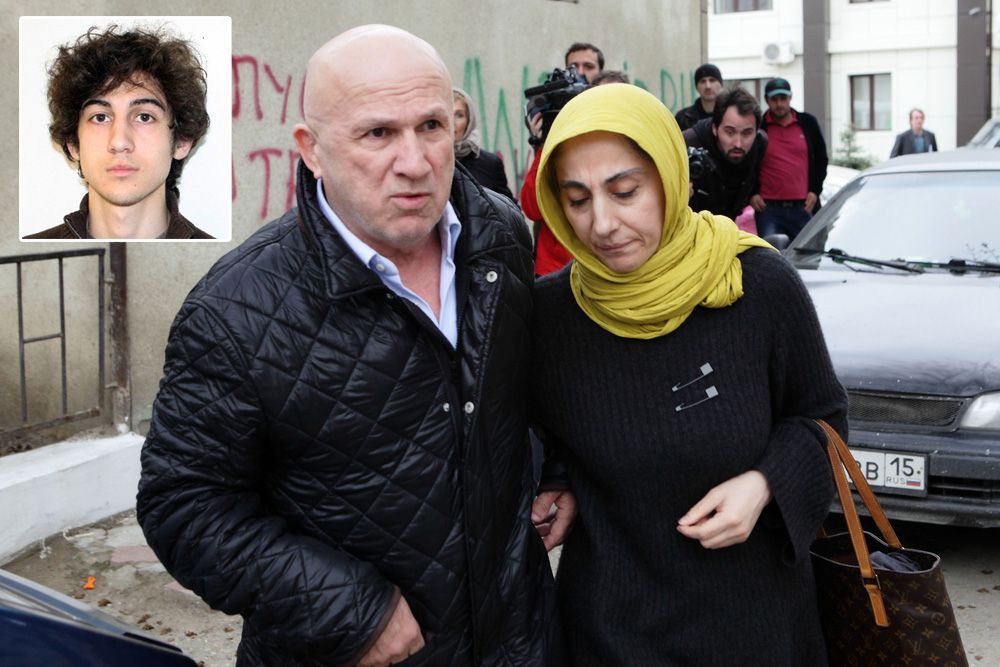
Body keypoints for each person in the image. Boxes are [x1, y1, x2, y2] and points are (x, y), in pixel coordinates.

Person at [137, 25, 562, 667]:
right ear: (311, 149)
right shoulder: (234, 311)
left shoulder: (499, 234)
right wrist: (350, 610)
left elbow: (530, 390)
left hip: (519, 642)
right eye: (378, 133)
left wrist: (557, 470)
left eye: (431, 126)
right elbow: (183, 505)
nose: (415, 162)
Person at [529, 82, 847, 665]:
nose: (602, 223)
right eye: (576, 200)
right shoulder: (550, 315)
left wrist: (766, 484)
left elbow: (823, 418)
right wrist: (556, 477)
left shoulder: (758, 285)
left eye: (625, 192)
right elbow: (542, 433)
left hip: (757, 630)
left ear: (671, 179)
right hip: (610, 634)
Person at [25, 25, 212, 240]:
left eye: (144, 117)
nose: (120, 142)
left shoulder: (223, 258)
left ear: (181, 141)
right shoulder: (22, 251)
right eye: (100, 117)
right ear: (73, 144)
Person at [521, 42, 605, 276]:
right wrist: (544, 143)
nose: (580, 72)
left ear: (600, 73)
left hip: (601, 262)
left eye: (588, 66)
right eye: (573, 66)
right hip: (554, 267)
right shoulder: (549, 127)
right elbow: (532, 208)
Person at [751, 77, 828, 242]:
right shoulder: (758, 127)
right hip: (768, 210)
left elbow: (821, 159)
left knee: (809, 254)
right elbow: (746, 163)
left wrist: (815, 191)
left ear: (790, 97)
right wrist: (752, 194)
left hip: (804, 207)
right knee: (771, 254)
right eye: (774, 99)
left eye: (783, 98)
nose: (779, 104)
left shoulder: (808, 123)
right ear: (766, 100)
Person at [683, 86, 768, 220]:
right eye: (730, 132)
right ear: (715, 128)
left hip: (731, 223)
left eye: (747, 133)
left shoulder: (760, 143)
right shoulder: (685, 144)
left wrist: (754, 193)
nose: (738, 143)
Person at [452, 87, 514, 201]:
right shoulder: (431, 162)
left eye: (459, 115)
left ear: (469, 121)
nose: (452, 122)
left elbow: (509, 207)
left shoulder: (490, 164)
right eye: (447, 114)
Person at [674, 63, 724, 132]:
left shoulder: (730, 115)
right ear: (696, 87)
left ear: (721, 84)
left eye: (712, 80)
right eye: (703, 81)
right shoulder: (682, 118)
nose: (708, 86)